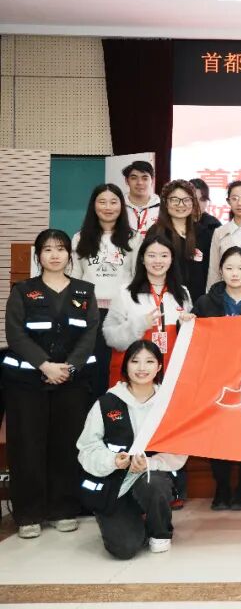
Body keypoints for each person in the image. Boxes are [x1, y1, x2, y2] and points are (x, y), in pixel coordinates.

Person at [4, 229, 100, 539]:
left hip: (71, 383)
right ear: (38, 256)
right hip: (27, 384)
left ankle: (64, 508)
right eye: (47, 249)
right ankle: (28, 513)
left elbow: (90, 333)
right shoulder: (23, 291)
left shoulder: (84, 291)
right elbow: (15, 334)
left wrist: (68, 368)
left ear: (70, 255)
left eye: (60, 249)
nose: (54, 255)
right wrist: (44, 365)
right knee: (27, 445)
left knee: (66, 444)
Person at [76, 340, 187, 558]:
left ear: (159, 367)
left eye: (149, 362)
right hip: (114, 485)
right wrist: (112, 460)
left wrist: (150, 463)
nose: (142, 368)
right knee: (124, 549)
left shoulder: (168, 404)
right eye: (135, 361)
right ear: (126, 365)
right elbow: (87, 447)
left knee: (154, 483)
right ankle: (129, 521)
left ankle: (160, 532)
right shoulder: (106, 403)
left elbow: (179, 449)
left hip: (149, 479)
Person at [193, 246, 241, 511]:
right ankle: (222, 487)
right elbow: (195, 341)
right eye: (229, 268)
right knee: (218, 434)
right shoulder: (205, 303)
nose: (234, 273)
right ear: (220, 270)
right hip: (217, 379)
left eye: (240, 268)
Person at [71, 184, 140, 397]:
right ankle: (94, 410)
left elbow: (137, 276)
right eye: (102, 202)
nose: (108, 207)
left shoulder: (133, 237)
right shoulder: (80, 237)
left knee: (122, 366)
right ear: (94, 205)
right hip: (90, 312)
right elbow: (75, 277)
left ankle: (118, 409)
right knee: (93, 367)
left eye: (113, 202)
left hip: (121, 313)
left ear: (122, 205)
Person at [102, 234, 194, 385]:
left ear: (172, 259)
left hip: (172, 373)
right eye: (151, 255)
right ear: (142, 259)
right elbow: (110, 337)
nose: (158, 261)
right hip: (137, 375)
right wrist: (139, 325)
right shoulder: (125, 292)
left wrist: (186, 325)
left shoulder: (182, 293)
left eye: (164, 255)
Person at [147, 179, 212, 301]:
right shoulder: (156, 233)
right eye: (175, 200)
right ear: (166, 202)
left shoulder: (204, 233)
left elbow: (209, 271)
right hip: (164, 301)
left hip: (197, 303)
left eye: (186, 200)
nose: (181, 205)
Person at [122, 160, 159, 238]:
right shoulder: (118, 207)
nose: (140, 182)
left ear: (152, 180)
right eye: (134, 178)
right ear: (126, 181)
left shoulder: (163, 208)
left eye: (145, 178)